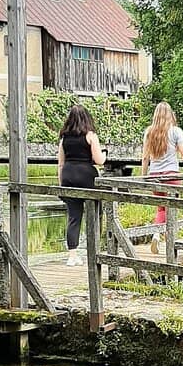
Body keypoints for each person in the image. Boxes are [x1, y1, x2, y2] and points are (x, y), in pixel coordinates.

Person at [141, 101, 183, 253]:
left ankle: (158, 235)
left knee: (161, 209)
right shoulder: (176, 131)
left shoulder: (149, 132)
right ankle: (161, 237)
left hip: (154, 175)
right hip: (171, 175)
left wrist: (143, 178)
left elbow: (145, 158)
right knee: (171, 209)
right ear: (170, 115)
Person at [57, 104, 105, 266]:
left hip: (69, 176)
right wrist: (104, 154)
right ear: (87, 119)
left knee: (74, 217)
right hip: (87, 176)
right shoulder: (91, 136)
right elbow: (98, 160)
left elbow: (61, 164)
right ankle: (95, 248)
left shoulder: (64, 139)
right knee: (96, 213)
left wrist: (61, 184)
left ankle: (72, 255)